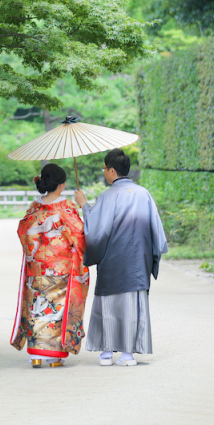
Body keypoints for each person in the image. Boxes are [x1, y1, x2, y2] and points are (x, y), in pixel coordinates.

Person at [74, 148, 168, 367]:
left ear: (112, 171)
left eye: (105, 169)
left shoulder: (107, 197)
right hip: (138, 261)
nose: (104, 172)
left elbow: (96, 231)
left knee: (109, 304)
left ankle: (106, 352)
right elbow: (157, 233)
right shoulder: (144, 194)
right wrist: (151, 257)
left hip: (112, 260)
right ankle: (127, 354)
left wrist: (83, 205)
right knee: (131, 304)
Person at [11, 163, 90, 368]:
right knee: (56, 309)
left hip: (36, 269)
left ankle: (35, 355)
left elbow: (23, 232)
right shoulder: (66, 208)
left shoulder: (34, 208)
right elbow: (79, 235)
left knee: (36, 308)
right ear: (62, 185)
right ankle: (54, 356)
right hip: (60, 269)